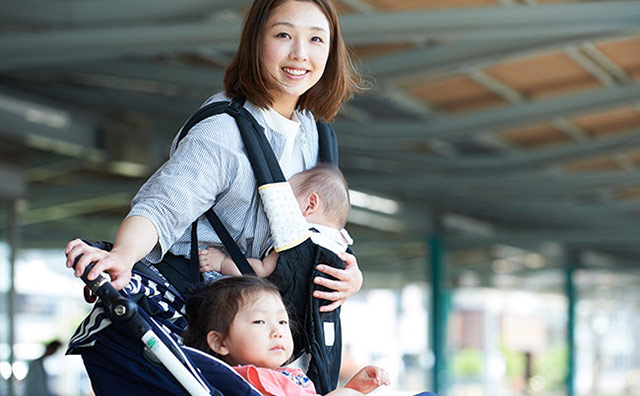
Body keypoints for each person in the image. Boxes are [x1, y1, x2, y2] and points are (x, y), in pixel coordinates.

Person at [65, 0, 366, 312]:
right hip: (213, 325)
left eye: (316, 39)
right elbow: (164, 206)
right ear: (255, 41)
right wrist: (124, 254)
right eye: (283, 35)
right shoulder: (225, 130)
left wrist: (350, 277)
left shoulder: (314, 134)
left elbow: (322, 231)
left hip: (274, 338)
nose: (300, 54)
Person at [183, 276, 389, 396]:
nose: (277, 332)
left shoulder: (283, 375)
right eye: (259, 322)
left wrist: (354, 388)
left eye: (282, 322)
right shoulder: (249, 380)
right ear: (219, 342)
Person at [199, 163, 352, 279]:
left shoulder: (299, 241)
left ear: (310, 205)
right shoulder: (340, 245)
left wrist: (222, 262)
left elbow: (259, 272)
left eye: (287, 200)